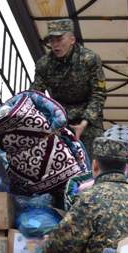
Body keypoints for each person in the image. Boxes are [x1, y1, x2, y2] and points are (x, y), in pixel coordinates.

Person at [32, 18, 106, 158]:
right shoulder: (44, 64)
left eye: (59, 39)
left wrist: (84, 123)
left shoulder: (89, 59)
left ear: (72, 39)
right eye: (52, 40)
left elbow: (98, 94)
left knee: (92, 159)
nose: (55, 45)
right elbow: (35, 95)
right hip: (59, 117)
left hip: (88, 118)